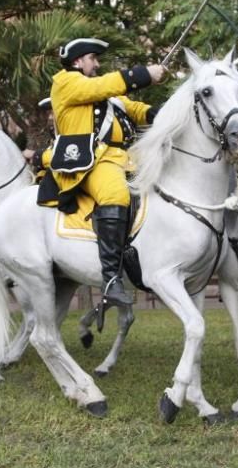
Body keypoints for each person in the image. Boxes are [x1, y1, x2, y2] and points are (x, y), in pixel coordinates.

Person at [39, 37, 163, 310]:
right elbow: (100, 85)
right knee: (115, 194)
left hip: (127, 159)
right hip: (93, 161)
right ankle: (111, 281)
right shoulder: (66, 82)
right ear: (77, 61)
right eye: (93, 59)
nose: (96, 64)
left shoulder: (110, 95)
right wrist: (143, 75)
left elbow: (136, 109)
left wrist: (168, 114)